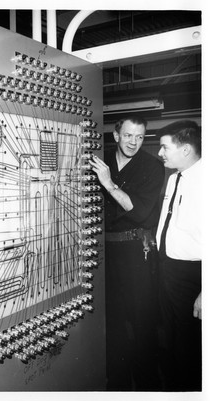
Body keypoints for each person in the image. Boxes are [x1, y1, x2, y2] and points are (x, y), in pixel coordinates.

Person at [89, 115, 165, 391]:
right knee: (112, 323)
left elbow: (140, 210)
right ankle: (117, 386)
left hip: (136, 252)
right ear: (116, 135)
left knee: (143, 323)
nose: (134, 142)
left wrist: (108, 183)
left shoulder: (152, 167)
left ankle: (149, 387)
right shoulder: (101, 159)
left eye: (140, 136)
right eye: (129, 135)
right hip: (103, 251)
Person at [155, 120, 202, 391]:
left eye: (164, 147)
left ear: (185, 149)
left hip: (194, 275)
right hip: (168, 270)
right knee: (171, 340)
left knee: (189, 347)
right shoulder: (174, 178)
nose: (160, 153)